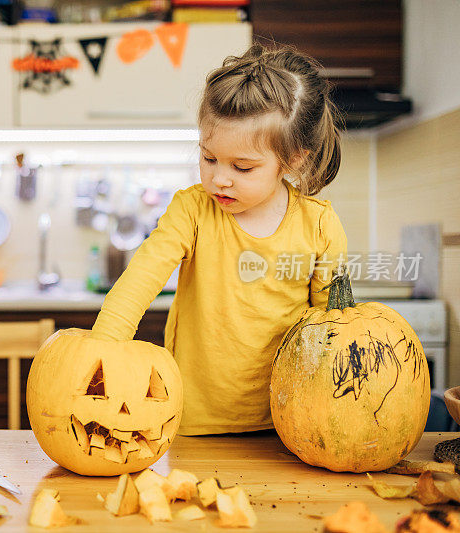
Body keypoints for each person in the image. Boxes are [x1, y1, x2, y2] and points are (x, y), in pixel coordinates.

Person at [90, 43, 348, 436]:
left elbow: (328, 329)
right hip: (192, 420)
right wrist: (99, 352)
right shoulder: (191, 210)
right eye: (209, 158)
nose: (219, 178)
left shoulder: (319, 226)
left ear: (293, 159)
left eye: (242, 167)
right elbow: (139, 282)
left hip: (286, 422)